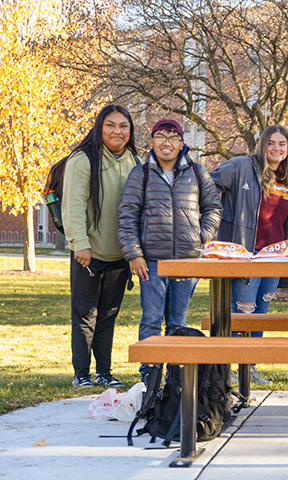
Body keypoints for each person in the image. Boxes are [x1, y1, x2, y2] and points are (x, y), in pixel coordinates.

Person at [117, 118, 222, 383]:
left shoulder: (198, 172)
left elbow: (213, 208)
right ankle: (150, 378)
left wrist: (201, 236)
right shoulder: (140, 174)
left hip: (188, 262)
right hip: (152, 262)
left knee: (178, 322)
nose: (167, 142)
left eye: (173, 137)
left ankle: (175, 379)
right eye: (161, 136)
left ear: (182, 143)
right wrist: (133, 254)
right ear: (151, 142)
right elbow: (127, 216)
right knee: (151, 320)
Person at [211, 125, 288, 385]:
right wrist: (216, 220)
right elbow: (207, 183)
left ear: (287, 149)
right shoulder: (241, 166)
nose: (276, 148)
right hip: (246, 256)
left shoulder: (286, 179)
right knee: (242, 313)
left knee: (260, 314)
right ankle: (227, 370)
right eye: (271, 143)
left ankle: (249, 368)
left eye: (282, 144)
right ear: (262, 145)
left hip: (274, 258)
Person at [62, 105, 140, 389]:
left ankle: (104, 372)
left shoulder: (134, 160)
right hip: (89, 253)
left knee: (108, 315)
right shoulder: (83, 160)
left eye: (123, 126)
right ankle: (81, 373)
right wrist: (80, 244)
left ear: (130, 131)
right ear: (99, 127)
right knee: (85, 314)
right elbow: (72, 206)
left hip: (120, 254)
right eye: (110, 125)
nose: (117, 131)